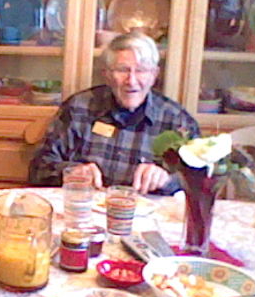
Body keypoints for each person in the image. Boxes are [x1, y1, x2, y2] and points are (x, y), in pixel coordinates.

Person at [28, 32, 200, 195]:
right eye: (122, 70)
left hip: (147, 219)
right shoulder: (78, 108)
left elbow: (200, 181)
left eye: (141, 71)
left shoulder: (177, 121)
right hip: (85, 213)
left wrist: (167, 180)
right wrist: (70, 173)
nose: (131, 81)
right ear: (107, 75)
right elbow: (38, 169)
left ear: (154, 75)